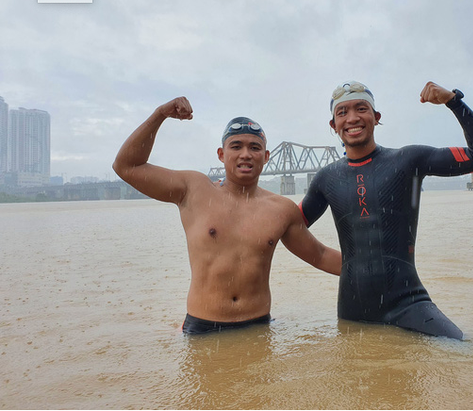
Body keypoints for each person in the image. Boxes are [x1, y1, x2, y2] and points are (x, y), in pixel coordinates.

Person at [113, 97, 341, 335]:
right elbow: (127, 166)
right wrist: (160, 114)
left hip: (258, 327)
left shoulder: (281, 209)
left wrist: (378, 270)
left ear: (266, 156)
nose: (246, 154)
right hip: (203, 328)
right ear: (221, 154)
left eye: (254, 148)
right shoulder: (193, 189)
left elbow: (320, 255)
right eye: (236, 146)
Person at [299, 81, 473, 339]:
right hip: (352, 310)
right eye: (342, 112)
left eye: (361, 109)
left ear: (376, 117)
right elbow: (290, 225)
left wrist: (454, 101)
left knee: (462, 350)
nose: (352, 118)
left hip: (409, 303)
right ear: (333, 125)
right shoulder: (326, 178)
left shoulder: (408, 160)